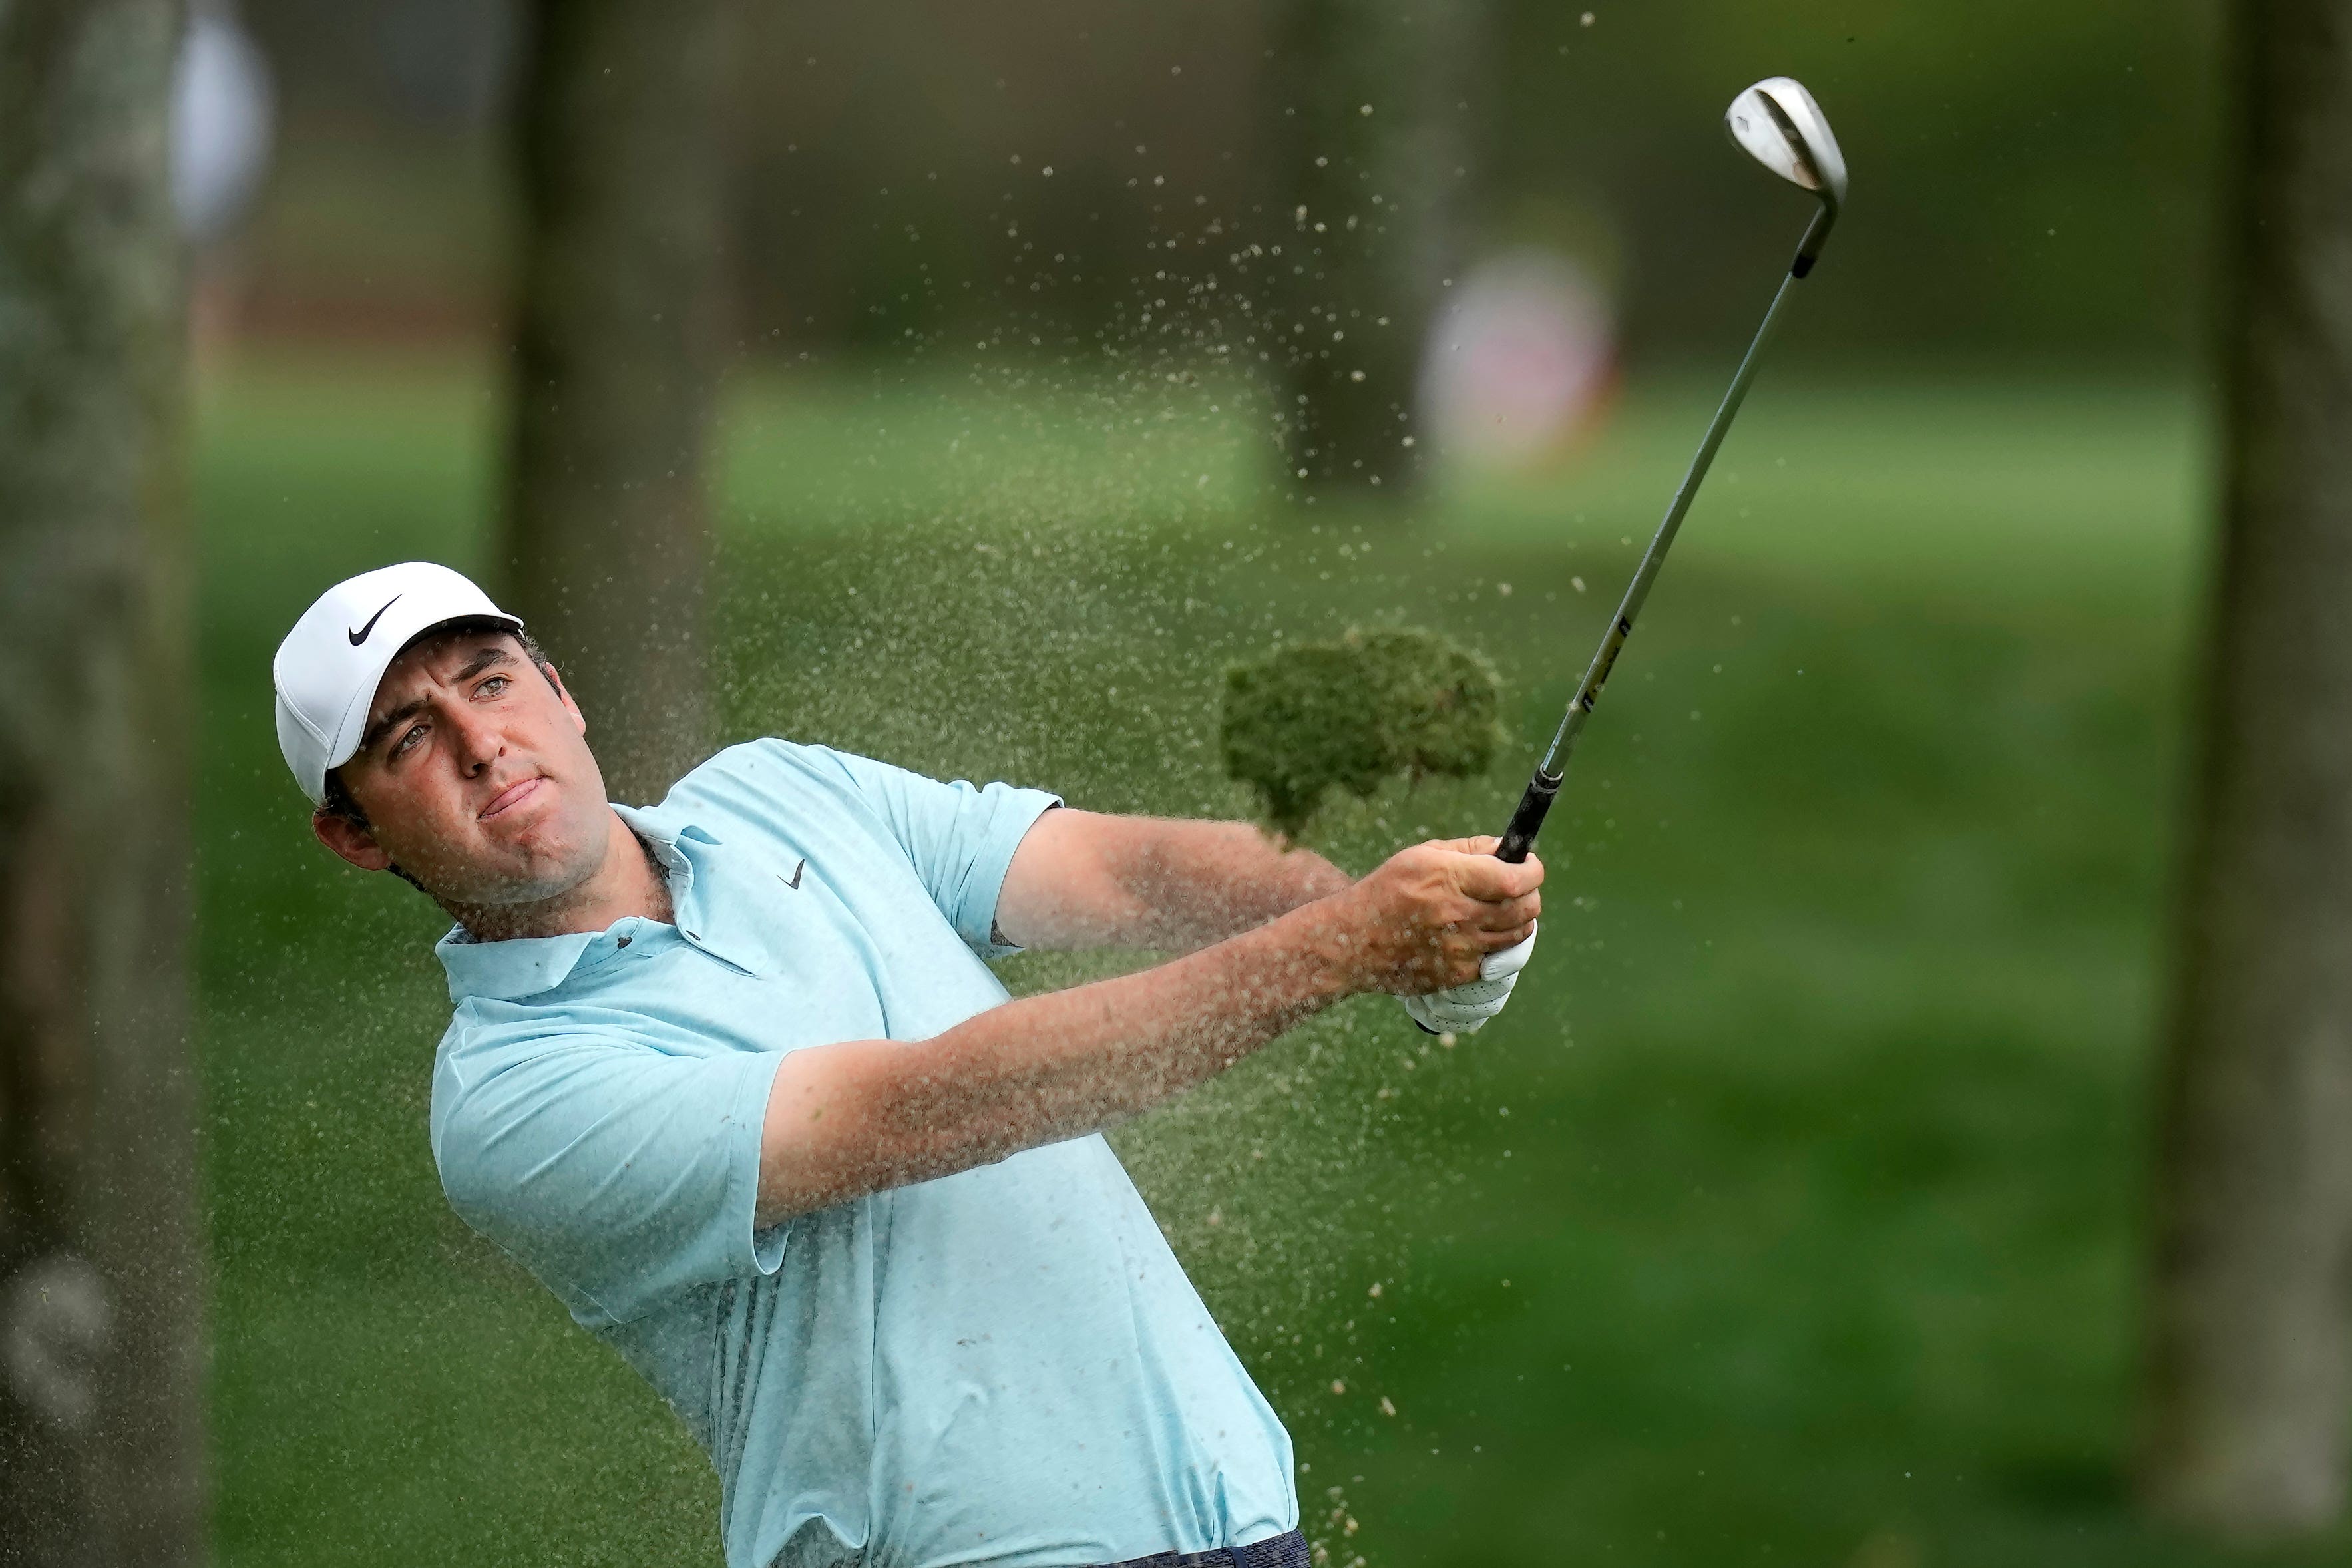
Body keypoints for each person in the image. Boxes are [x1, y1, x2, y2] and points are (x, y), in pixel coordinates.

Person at [272, 561, 1543, 1568]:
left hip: (1233, 1522)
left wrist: (1413, 919)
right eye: (406, 741)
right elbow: (948, 1103)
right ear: (353, 836)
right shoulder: (514, 1099)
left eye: (489, 684)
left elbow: (1113, 870)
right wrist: (1344, 947)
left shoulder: (780, 795)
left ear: (561, 693)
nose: (479, 742)